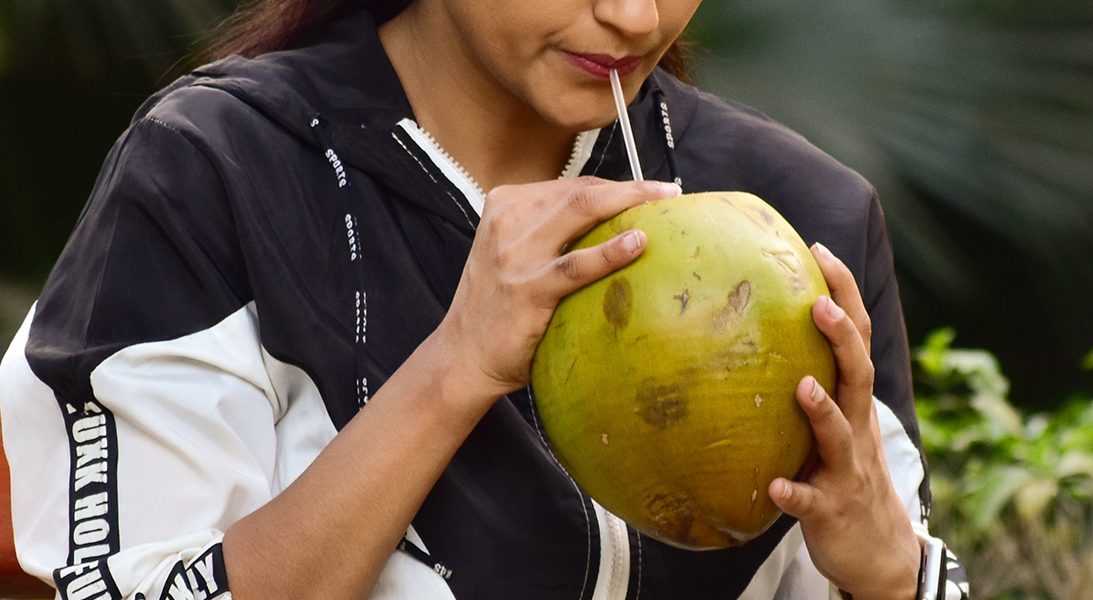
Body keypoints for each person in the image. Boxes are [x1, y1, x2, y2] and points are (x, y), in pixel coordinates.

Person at [0, 0, 969, 598]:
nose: (636, 15)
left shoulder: (799, 217)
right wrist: (454, 369)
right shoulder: (218, 177)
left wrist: (888, 570)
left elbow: (897, 573)